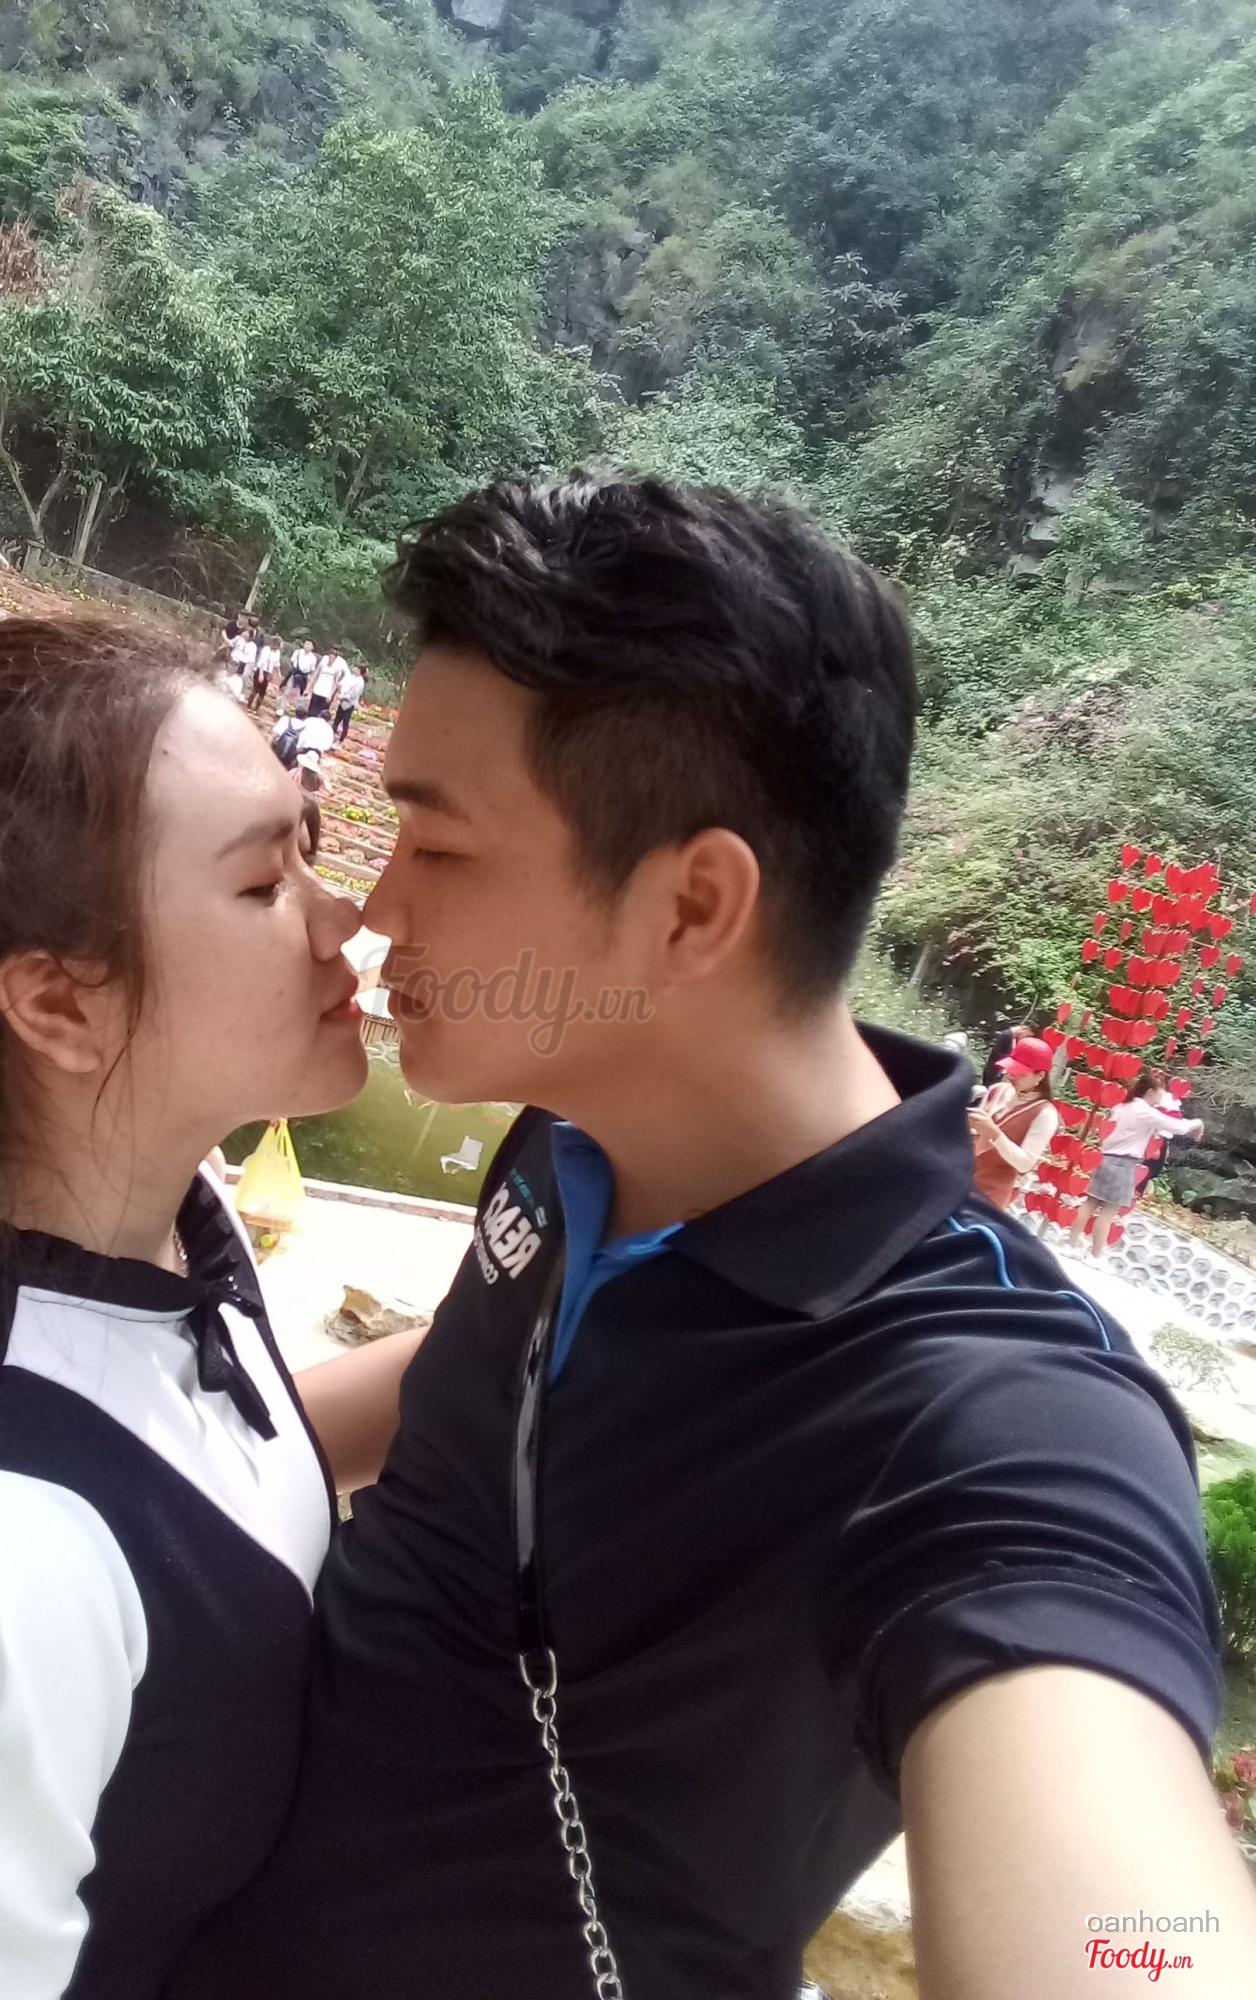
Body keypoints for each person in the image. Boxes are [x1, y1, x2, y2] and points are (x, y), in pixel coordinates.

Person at [170, 476, 1252, 2000]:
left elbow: (1133, 1945)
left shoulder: (994, 1420)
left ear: (691, 909)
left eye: (439, 848)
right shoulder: (580, 1128)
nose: (372, 909)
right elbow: (485, 1377)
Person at [0, 620, 419, 1999]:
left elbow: (211, 1474)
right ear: (59, 1002)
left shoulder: (173, 1230)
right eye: (264, 881)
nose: (343, 917)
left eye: (310, 844)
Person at [1076, 1070, 1205, 1259]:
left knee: (1090, 1203)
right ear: (1150, 1092)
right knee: (1109, 1211)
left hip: (1105, 1157)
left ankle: (1071, 1243)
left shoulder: (1122, 1106)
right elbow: (1178, 1127)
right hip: (1123, 1164)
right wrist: (1198, 1123)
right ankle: (1095, 1254)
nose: (1160, 1102)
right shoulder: (1144, 1111)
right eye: (1159, 1096)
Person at [968, 1033, 1060, 1208]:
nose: (1011, 1075)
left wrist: (995, 1134)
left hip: (989, 1197)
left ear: (1040, 1076)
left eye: (1020, 1073)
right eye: (1010, 1069)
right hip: (958, 1178)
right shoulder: (997, 1090)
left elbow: (1025, 1163)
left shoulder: (1045, 1113)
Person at [982, 1020, 1033, 1089]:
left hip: (999, 1072)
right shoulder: (1006, 1036)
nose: (1025, 1037)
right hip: (992, 1072)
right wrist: (1013, 1059)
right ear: (1024, 1028)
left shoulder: (1014, 1038)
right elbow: (996, 1053)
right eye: (1027, 1035)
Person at [333, 660, 366, 743]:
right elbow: (344, 686)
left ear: (359, 670)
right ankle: (332, 734)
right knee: (337, 720)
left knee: (345, 722)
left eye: (356, 668)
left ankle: (341, 740)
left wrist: (343, 697)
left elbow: (353, 694)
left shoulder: (360, 682)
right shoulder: (351, 677)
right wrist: (340, 692)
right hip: (342, 702)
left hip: (349, 704)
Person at [306, 650, 340, 721]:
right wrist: (308, 688)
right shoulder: (322, 665)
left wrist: (331, 695)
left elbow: (335, 683)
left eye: (333, 658)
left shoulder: (336, 669)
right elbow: (314, 676)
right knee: (312, 710)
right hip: (317, 689)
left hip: (326, 692)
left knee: (322, 713)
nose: (331, 659)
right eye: (330, 657)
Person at [253, 634, 281, 711]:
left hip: (268, 672)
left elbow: (276, 665)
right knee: (255, 689)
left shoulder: (277, 653)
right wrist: (261, 674)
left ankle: (256, 708)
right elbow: (262, 662)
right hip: (261, 670)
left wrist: (278, 675)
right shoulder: (266, 649)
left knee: (262, 691)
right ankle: (249, 705)